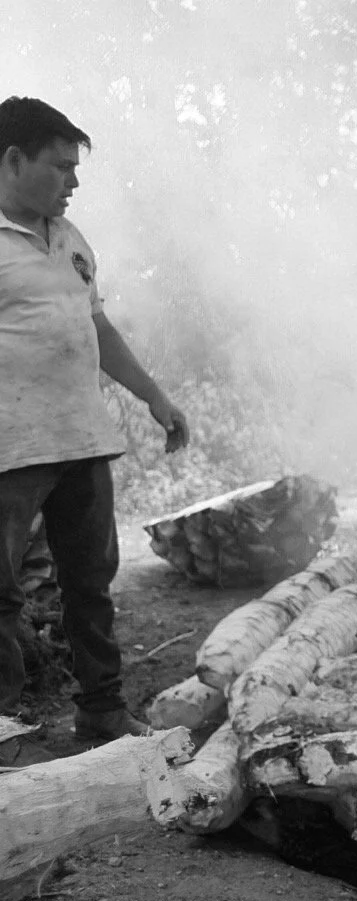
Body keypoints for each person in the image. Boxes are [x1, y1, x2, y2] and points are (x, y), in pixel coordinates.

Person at [0, 96, 190, 738]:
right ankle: (3, 730)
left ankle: (103, 713)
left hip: (81, 440)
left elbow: (99, 328)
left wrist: (153, 396)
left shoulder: (72, 239)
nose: (73, 182)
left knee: (90, 585)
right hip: (9, 450)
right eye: (61, 167)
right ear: (13, 160)